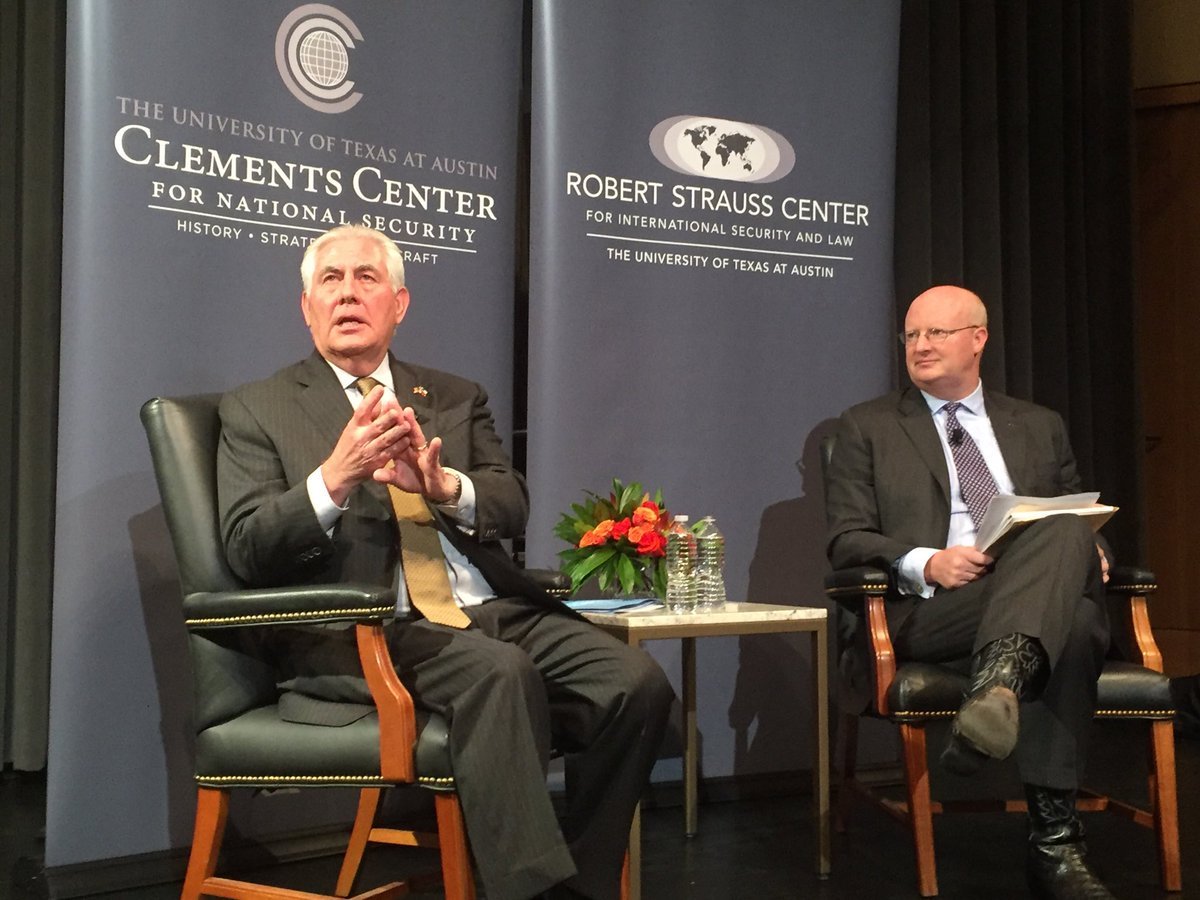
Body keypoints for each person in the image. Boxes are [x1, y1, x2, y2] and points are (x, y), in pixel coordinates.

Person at [216, 223, 673, 900]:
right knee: (500, 675)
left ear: (399, 304)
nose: (347, 295)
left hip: (484, 608)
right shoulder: (259, 407)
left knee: (636, 683)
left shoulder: (455, 397)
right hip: (365, 629)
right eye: (330, 281)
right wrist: (335, 479)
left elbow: (510, 503)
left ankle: (578, 879)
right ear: (306, 306)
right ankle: (531, 891)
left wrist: (443, 488)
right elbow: (247, 544)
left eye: (366, 279)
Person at [825, 285, 1117, 899]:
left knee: (1069, 550)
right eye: (911, 336)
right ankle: (1056, 848)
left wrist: (1096, 552)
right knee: (1079, 619)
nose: (921, 346)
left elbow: (1081, 515)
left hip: (1027, 588)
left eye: (937, 333)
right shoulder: (867, 427)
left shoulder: (1039, 425)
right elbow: (847, 540)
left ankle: (999, 687)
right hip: (929, 614)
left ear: (978, 339)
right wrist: (927, 562)